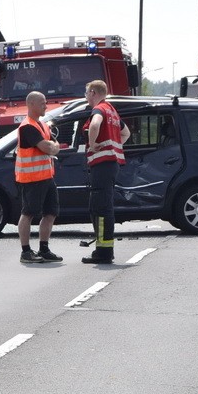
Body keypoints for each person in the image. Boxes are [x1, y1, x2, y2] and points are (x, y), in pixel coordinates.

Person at [82, 80, 129, 264]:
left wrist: (93, 145)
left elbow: (94, 125)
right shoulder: (113, 111)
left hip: (102, 164)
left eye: (86, 93)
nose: (86, 97)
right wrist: (112, 146)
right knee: (103, 206)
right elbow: (126, 134)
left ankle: (103, 252)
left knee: (101, 208)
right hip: (111, 164)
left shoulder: (99, 109)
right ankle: (104, 249)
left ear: (93, 92)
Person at [16, 91, 62, 264]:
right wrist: (52, 147)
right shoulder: (27, 126)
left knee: (51, 213)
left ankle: (44, 248)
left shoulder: (43, 125)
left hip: (47, 177)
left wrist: (52, 146)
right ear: (31, 104)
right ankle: (26, 252)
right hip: (31, 178)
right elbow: (48, 147)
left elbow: (54, 145)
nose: (46, 105)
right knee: (28, 213)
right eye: (42, 102)